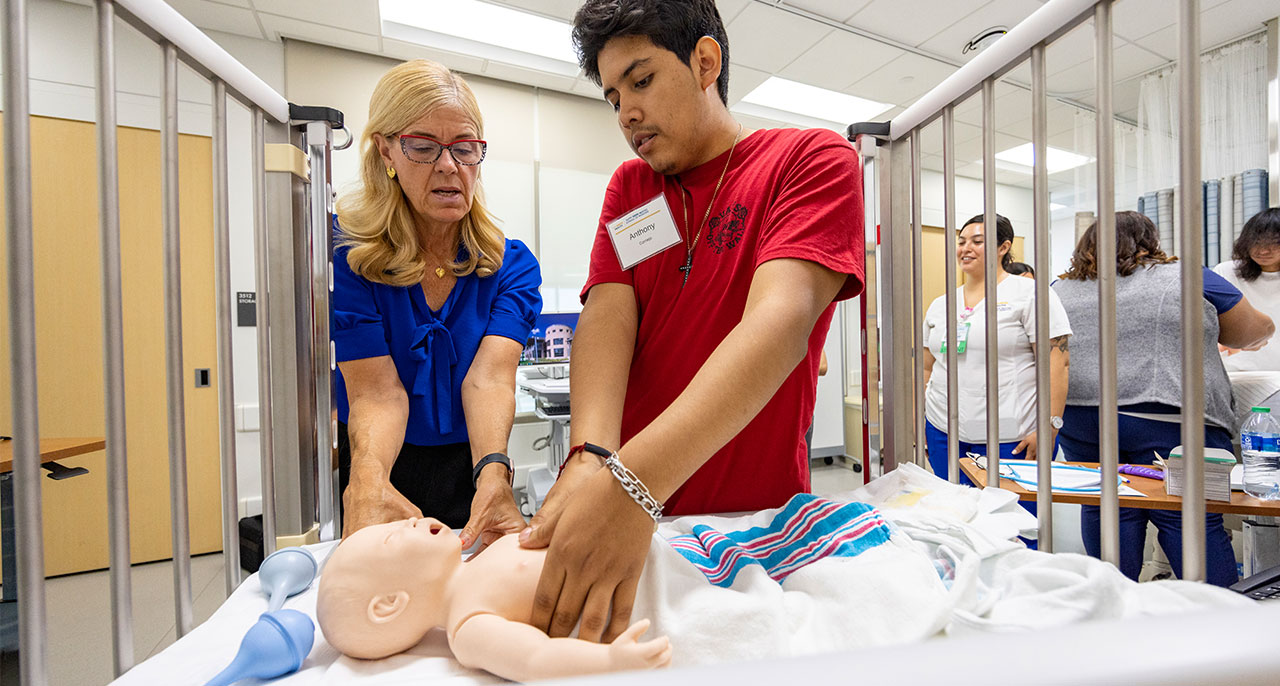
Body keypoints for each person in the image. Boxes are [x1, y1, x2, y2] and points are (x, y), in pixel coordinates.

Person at [518, 0, 865, 644]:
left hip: (754, 522)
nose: (626, 113)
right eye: (612, 94)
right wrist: (593, 458)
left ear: (706, 61)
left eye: (641, 80)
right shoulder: (632, 188)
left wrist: (632, 482)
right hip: (630, 512)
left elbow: (781, 322)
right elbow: (607, 319)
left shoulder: (808, 161)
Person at [332, 59, 542, 549]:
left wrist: (494, 474)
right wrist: (366, 480)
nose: (449, 166)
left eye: (464, 149)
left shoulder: (509, 264)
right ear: (386, 151)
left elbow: (488, 379)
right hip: (381, 461)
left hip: (472, 463)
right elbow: (376, 395)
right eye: (424, 147)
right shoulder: (352, 259)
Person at [1052, 211, 1274, 586]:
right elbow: (1251, 332)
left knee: (1107, 506)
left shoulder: (1059, 288)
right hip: (1168, 418)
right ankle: (1220, 618)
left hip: (1083, 418)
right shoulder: (1186, 275)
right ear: (1149, 241)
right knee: (1185, 515)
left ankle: (1113, 606)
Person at [316, 517, 671, 681]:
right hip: (649, 586)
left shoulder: (480, 559)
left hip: (638, 545)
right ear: (389, 603)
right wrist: (610, 661)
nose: (409, 519)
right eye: (391, 538)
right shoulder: (468, 627)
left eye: (393, 522)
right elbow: (536, 659)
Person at [921, 214, 1072, 482]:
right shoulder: (941, 304)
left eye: (977, 241)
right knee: (955, 514)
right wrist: (921, 423)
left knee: (1011, 518)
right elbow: (926, 367)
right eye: (961, 241)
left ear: (1003, 247)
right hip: (943, 430)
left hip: (1010, 435)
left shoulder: (1029, 294)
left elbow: (1057, 363)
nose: (966, 248)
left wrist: (1049, 426)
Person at [1213, 208, 1280, 372]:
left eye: (1273, 244)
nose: (1263, 251)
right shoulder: (1226, 272)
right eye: (1256, 243)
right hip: (1237, 372)